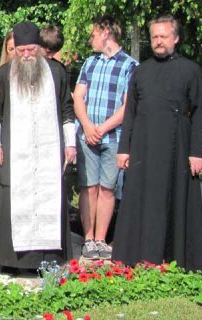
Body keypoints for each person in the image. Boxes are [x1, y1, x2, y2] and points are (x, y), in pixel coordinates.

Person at [112, 15, 202, 272]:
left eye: (163, 37)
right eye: (154, 37)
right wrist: (123, 149)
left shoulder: (191, 70)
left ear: (175, 38)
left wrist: (197, 152)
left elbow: (199, 113)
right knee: (142, 201)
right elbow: (130, 111)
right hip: (143, 147)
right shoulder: (141, 71)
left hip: (178, 148)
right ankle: (138, 258)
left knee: (176, 200)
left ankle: (177, 261)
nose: (158, 42)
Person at [0, 21, 75, 273]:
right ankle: (10, 262)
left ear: (39, 48)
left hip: (48, 151)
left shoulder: (56, 72)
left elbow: (67, 110)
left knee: (47, 198)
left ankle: (47, 259)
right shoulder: (3, 75)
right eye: (20, 50)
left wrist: (70, 144)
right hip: (15, 151)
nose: (25, 55)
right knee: (13, 199)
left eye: (31, 50)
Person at [73, 16, 137, 260]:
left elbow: (127, 106)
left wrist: (103, 128)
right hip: (87, 136)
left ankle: (101, 238)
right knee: (89, 187)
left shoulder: (130, 65)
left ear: (106, 33)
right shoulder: (90, 63)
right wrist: (88, 127)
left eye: (93, 34)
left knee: (107, 188)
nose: (91, 38)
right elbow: (78, 97)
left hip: (113, 137)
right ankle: (88, 238)